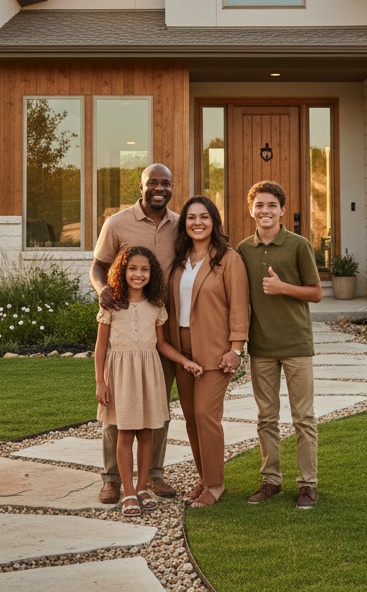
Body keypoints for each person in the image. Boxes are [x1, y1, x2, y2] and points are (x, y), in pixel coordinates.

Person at [90, 163, 181, 504]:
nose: (159, 188)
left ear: (171, 188)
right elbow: (99, 265)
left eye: (166, 183)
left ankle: (152, 476)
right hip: (125, 322)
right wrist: (102, 289)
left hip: (163, 322)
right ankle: (113, 478)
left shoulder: (179, 224)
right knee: (119, 405)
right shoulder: (117, 223)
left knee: (157, 405)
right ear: (141, 187)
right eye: (153, 183)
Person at [95, 245, 203, 517]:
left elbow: (162, 344)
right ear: (122, 271)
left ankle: (143, 487)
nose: (138, 274)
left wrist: (185, 361)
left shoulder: (156, 306)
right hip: (120, 375)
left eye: (144, 269)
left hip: (149, 373)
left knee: (147, 434)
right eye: (132, 268)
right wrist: (100, 382)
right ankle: (128, 491)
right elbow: (100, 347)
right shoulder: (111, 304)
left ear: (152, 274)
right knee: (124, 433)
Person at [236, 180, 324, 510]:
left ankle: (308, 485)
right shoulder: (243, 249)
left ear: (282, 210)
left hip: (296, 343)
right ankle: (271, 481)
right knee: (266, 418)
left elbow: (315, 292)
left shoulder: (299, 245)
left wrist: (283, 287)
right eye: (259, 205)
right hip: (262, 346)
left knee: (303, 418)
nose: (265, 211)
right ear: (251, 210)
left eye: (272, 205)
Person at [166, 195, 249, 507]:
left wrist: (236, 349)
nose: (197, 223)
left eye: (204, 217)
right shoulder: (179, 259)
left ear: (214, 221)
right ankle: (204, 476)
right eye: (190, 217)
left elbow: (240, 306)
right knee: (190, 417)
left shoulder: (229, 259)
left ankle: (215, 485)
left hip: (215, 350)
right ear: (184, 223)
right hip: (182, 349)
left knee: (205, 415)